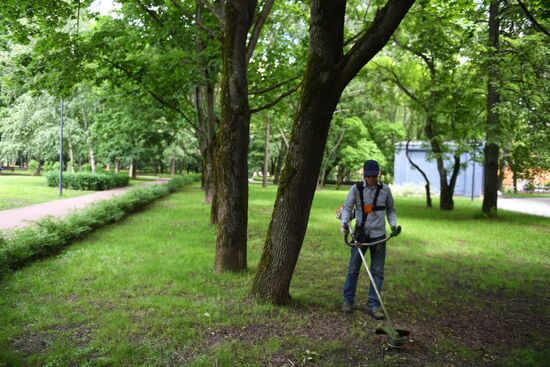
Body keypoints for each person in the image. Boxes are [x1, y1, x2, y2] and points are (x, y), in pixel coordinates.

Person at [339, 159, 399, 319]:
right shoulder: (356, 189)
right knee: (353, 269)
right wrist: (345, 223)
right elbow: (346, 209)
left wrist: (393, 225)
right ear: (364, 175)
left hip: (379, 237)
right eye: (369, 176)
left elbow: (391, 211)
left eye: (374, 176)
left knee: (377, 272)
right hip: (360, 235)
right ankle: (347, 300)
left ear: (378, 174)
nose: (372, 179)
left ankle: (374, 305)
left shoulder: (385, 190)